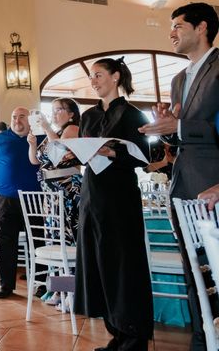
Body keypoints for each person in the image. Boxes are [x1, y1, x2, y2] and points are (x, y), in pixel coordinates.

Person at [139, 2, 219, 350]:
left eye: (178, 25)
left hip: (212, 180)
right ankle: (202, 339)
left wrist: (181, 124)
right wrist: (166, 127)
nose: (171, 32)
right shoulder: (178, 79)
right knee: (194, 270)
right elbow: (181, 137)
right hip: (182, 182)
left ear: (202, 27)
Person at [75, 57, 152, 351]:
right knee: (99, 266)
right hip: (91, 196)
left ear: (116, 77)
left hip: (120, 198)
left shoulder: (133, 115)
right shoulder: (88, 116)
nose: (93, 81)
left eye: (98, 75)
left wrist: (111, 152)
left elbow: (143, 157)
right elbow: (85, 151)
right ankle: (115, 334)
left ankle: (133, 339)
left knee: (124, 266)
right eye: (91, 77)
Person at [0, 107, 42, 299]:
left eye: (21, 117)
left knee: (38, 239)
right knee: (4, 240)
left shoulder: (39, 138)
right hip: (4, 197)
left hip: (35, 198)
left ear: (30, 120)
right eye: (14, 117)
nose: (17, 120)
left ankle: (41, 283)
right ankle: (6, 285)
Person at [27, 99, 81, 307]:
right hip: (51, 193)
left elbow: (57, 156)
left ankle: (72, 292)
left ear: (71, 114)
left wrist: (48, 128)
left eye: (59, 110)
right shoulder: (56, 133)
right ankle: (58, 289)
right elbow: (36, 161)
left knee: (67, 240)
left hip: (67, 190)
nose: (54, 114)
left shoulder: (72, 130)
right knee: (55, 240)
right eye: (52, 110)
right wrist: (32, 145)